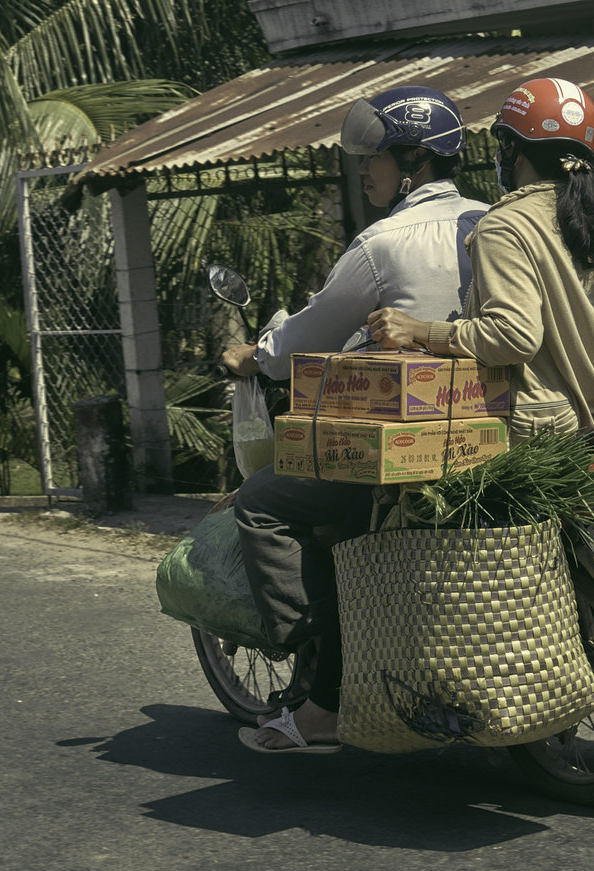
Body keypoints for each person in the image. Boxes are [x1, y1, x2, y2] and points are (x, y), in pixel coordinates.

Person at [227, 86, 487, 754]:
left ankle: (315, 662)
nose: (362, 170)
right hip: (489, 431)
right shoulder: (491, 223)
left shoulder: (383, 242)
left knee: (260, 501)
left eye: (372, 157)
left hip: (406, 444)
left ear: (413, 161)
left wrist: (256, 353)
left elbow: (305, 337)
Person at [366, 77, 594, 441]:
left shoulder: (504, 226)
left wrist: (420, 331)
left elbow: (513, 339)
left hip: (536, 434)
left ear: (512, 149)